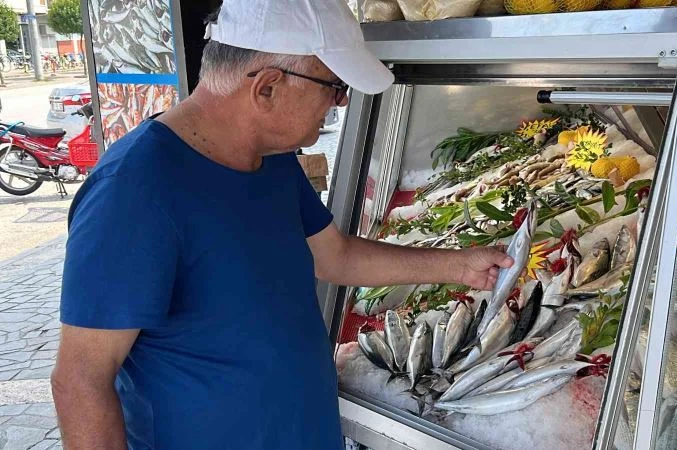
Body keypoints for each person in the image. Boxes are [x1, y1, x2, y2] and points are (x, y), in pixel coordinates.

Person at [51, 1, 513, 449]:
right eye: (333, 86)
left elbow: (336, 256)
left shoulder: (271, 159)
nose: (339, 102)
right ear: (267, 87)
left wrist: (459, 266)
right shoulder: (133, 190)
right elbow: (81, 381)